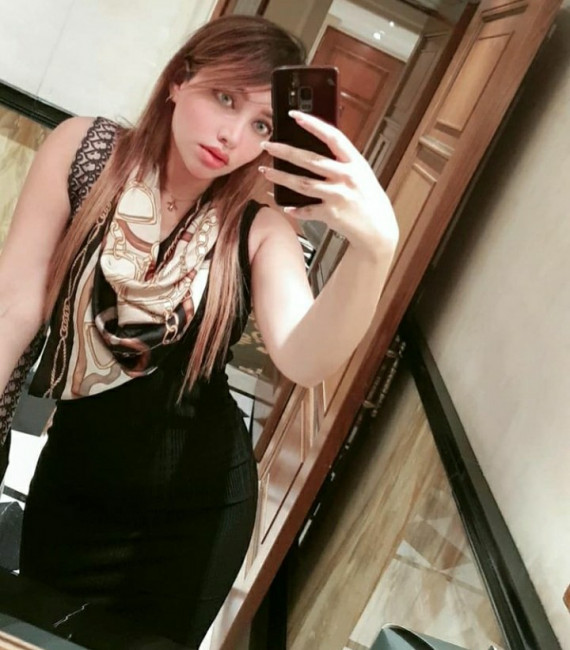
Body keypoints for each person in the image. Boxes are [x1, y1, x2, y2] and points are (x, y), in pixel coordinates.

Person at [0, 14, 398, 649]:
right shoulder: (87, 154)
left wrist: (376, 251)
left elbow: (304, 357)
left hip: (192, 517)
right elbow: (14, 308)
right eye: (226, 98)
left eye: (262, 124)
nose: (232, 136)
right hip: (72, 482)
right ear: (179, 80)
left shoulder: (258, 228)